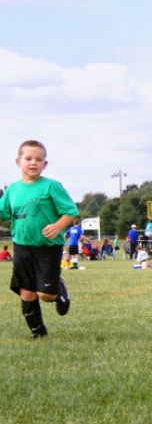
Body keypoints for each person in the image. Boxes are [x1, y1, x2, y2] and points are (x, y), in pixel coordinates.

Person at [0, 140, 77, 338]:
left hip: (48, 247)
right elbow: (3, 212)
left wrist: (59, 225)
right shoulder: (12, 190)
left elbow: (70, 212)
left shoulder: (51, 186)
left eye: (38, 159)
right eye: (28, 158)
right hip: (22, 247)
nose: (33, 162)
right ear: (18, 162)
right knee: (27, 293)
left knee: (45, 295)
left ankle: (58, 289)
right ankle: (38, 333)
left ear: (45, 164)